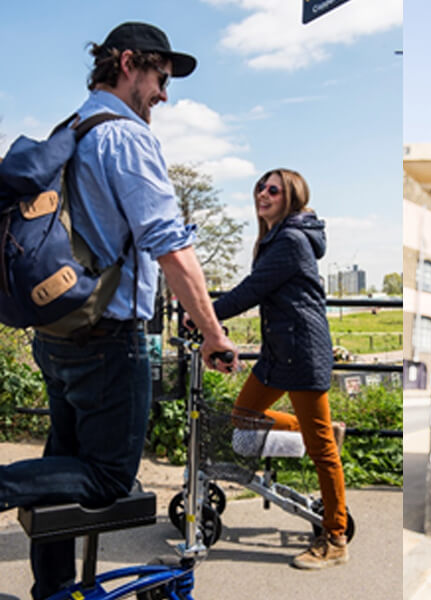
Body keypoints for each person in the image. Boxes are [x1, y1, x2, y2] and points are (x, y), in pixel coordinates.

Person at [0, 22, 237, 599]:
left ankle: (52, 589)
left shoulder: (73, 129)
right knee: (108, 478)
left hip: (57, 332)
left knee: (61, 464)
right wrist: (212, 332)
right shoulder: (127, 138)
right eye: (160, 78)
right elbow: (170, 247)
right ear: (128, 63)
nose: (164, 94)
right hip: (108, 339)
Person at [206, 168, 347, 570]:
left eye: (274, 189)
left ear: (291, 198)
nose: (263, 194)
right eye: (260, 188)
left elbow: (251, 291)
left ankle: (335, 538)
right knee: (243, 416)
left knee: (322, 454)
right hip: (278, 353)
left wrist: (205, 316)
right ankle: (322, 431)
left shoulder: (289, 240)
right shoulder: (273, 239)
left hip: (301, 352)